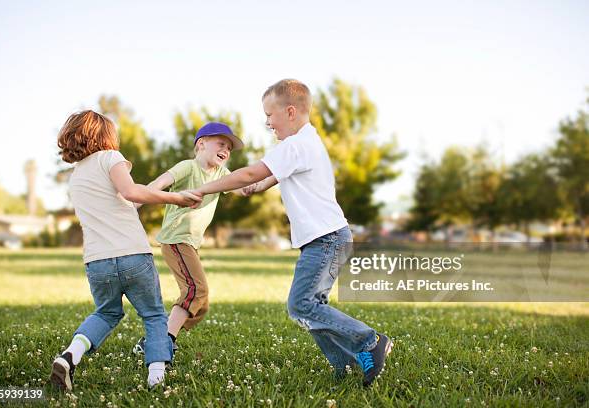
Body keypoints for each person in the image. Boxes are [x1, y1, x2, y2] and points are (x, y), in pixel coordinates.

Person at [193, 79, 393, 386]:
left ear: (289, 111)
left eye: (269, 115)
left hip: (325, 239)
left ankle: (368, 341)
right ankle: (348, 363)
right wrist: (259, 186)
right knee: (313, 307)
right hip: (329, 238)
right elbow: (273, 176)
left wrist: (204, 189)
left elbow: (249, 172)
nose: (267, 122)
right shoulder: (305, 142)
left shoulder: (295, 144)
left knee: (301, 305)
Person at [49, 110, 201, 391]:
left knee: (106, 313)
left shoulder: (76, 176)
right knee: (154, 315)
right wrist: (175, 198)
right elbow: (132, 192)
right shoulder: (110, 157)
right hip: (132, 255)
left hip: (97, 263)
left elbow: (122, 203)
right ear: (106, 137)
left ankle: (70, 356)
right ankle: (157, 378)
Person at [132, 122, 245, 361]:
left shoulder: (221, 174)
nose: (226, 149)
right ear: (201, 144)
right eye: (221, 143)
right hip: (176, 238)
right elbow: (158, 184)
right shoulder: (187, 167)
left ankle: (156, 339)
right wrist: (135, 202)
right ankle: (161, 342)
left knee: (200, 303)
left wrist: (276, 175)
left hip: (189, 243)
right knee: (196, 290)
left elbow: (245, 188)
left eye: (229, 147)